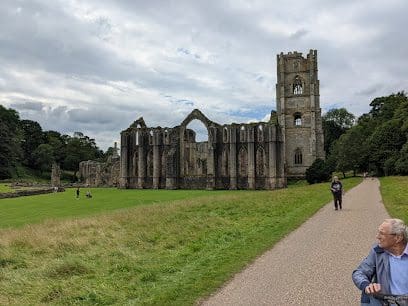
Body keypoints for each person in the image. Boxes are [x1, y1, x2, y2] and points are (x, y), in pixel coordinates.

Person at [352, 218, 408, 305]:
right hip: (383, 302)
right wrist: (367, 285)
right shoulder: (377, 251)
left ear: (398, 238)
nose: (377, 236)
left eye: (382, 233)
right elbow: (359, 272)